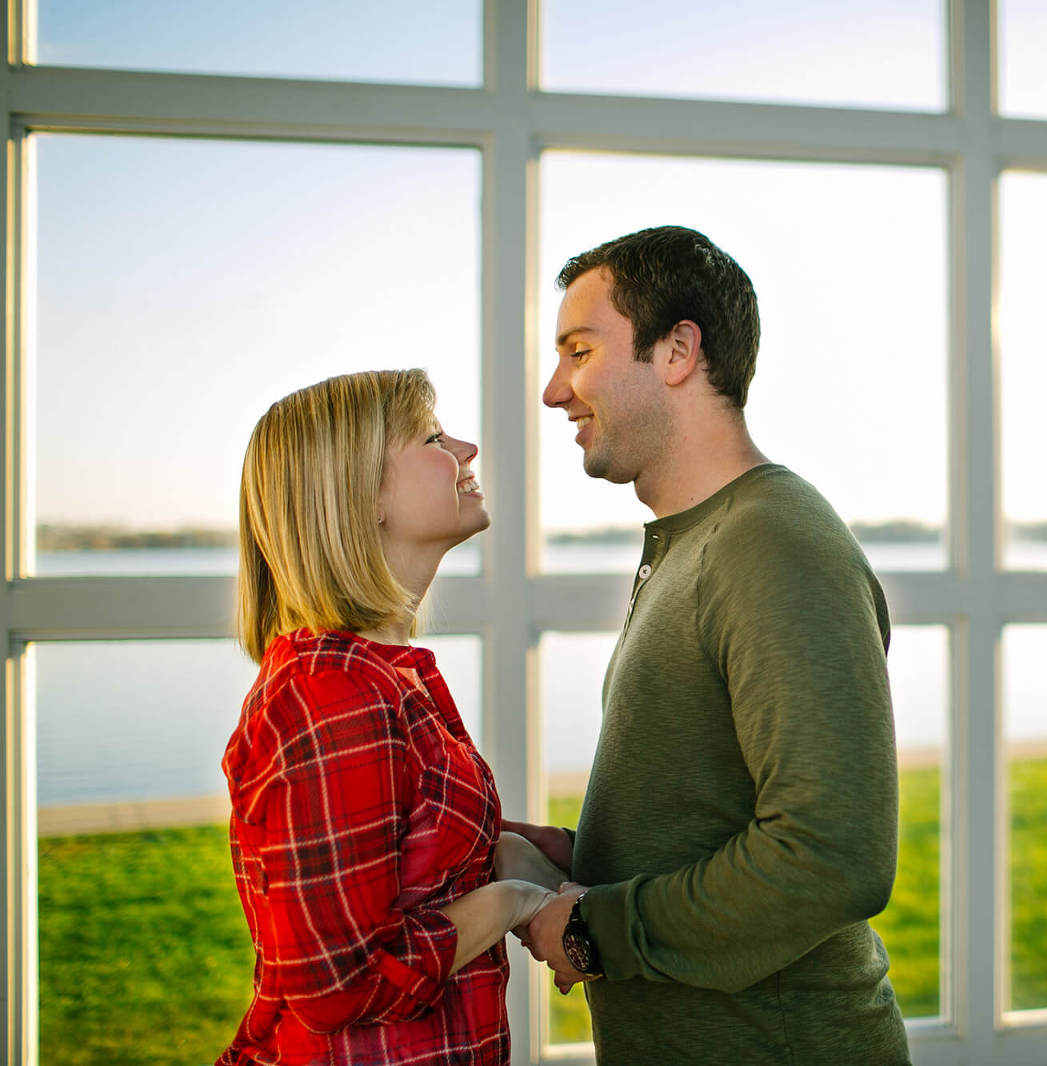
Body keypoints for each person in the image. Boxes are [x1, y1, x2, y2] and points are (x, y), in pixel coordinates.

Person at [523, 226, 911, 1064]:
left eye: (580, 351)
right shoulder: (698, 541)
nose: (556, 390)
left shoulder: (771, 545)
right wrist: (590, 858)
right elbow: (707, 799)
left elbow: (833, 855)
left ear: (677, 351)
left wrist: (599, 930)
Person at [219, 369, 562, 1066]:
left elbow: (426, 862)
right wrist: (515, 904)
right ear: (362, 496)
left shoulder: (381, 676)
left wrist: (546, 860)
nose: (466, 449)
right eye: (433, 437)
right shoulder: (331, 697)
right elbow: (337, 985)